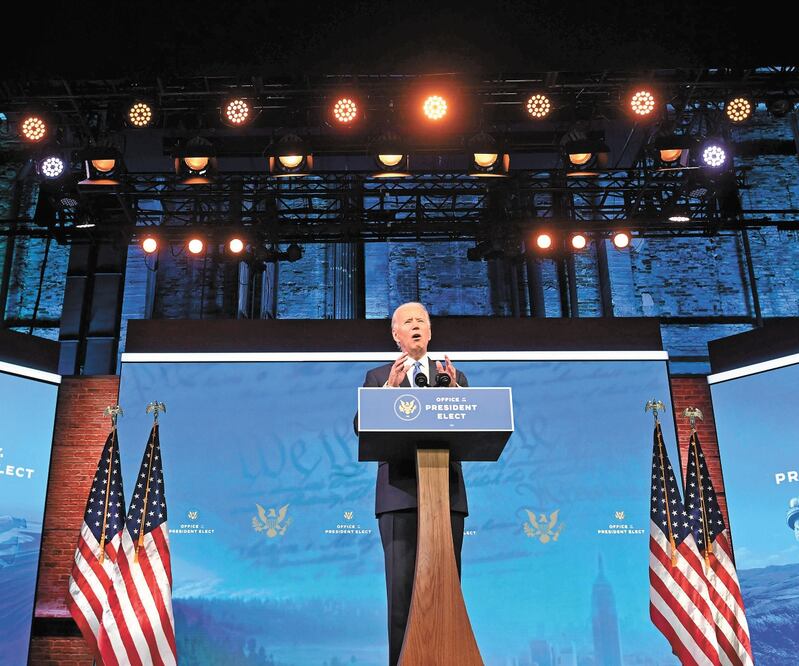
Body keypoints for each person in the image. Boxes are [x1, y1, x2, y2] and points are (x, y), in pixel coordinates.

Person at [359, 302, 468, 666]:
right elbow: (362, 427)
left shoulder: (451, 376)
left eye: (422, 320)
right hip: (399, 499)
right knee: (403, 595)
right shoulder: (378, 377)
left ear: (431, 331)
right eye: (408, 322)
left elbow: (476, 426)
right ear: (396, 335)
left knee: (446, 592)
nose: (416, 326)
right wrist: (389, 392)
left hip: (446, 496)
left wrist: (456, 394)